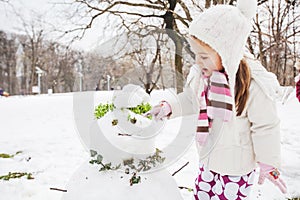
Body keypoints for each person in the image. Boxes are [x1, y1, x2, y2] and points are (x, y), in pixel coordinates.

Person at [148, 0, 287, 199]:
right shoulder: (201, 76)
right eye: (196, 54)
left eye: (204, 56)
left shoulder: (252, 86)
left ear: (226, 53)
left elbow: (266, 126)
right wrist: (169, 106)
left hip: (236, 169)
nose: (197, 61)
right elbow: (190, 99)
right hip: (208, 161)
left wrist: (268, 162)